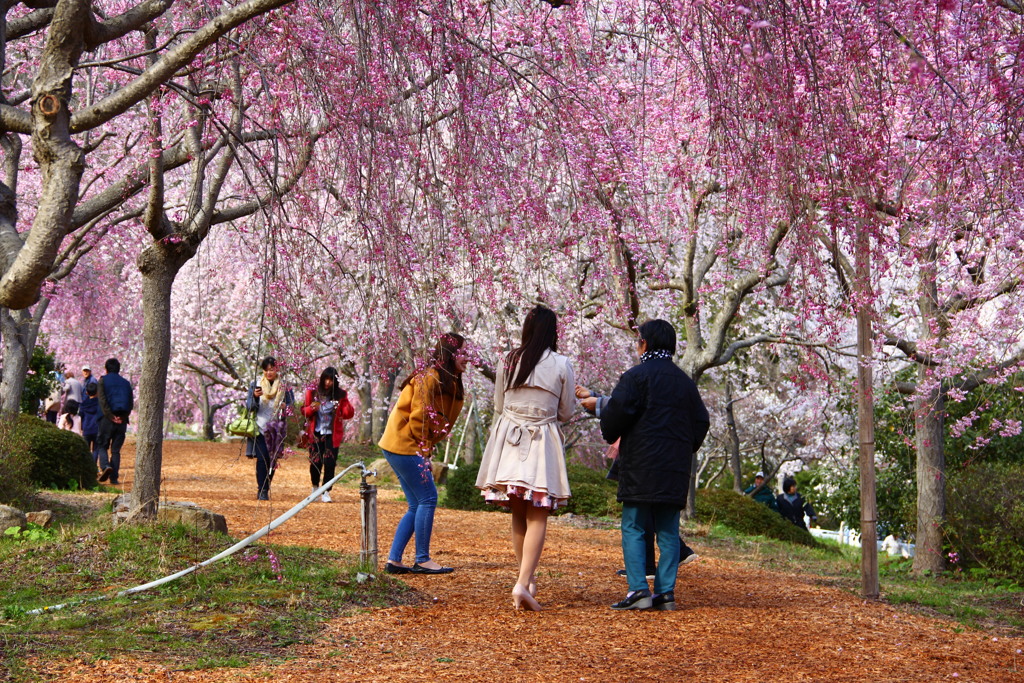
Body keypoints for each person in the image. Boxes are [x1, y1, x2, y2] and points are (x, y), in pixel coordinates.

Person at [578, 319, 709, 611]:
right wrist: (684, 448)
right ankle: (665, 593)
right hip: (674, 467)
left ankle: (638, 590)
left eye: (638, 341)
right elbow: (701, 421)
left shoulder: (636, 377)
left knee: (634, 525)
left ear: (645, 344)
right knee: (667, 529)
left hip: (641, 463)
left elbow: (618, 412)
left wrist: (608, 427)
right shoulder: (685, 383)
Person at [475, 305, 575, 611]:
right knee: (538, 515)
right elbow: (566, 412)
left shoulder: (509, 360)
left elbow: (499, 404)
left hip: (509, 439)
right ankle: (523, 583)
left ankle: (526, 580)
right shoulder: (561, 363)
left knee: (519, 512)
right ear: (552, 331)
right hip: (540, 441)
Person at [379, 333, 469, 575]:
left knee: (416, 503)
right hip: (404, 444)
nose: (468, 358)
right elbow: (419, 416)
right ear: (450, 354)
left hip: (401, 444)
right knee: (428, 498)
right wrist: (425, 453)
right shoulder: (431, 377)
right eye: (463, 352)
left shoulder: (449, 380)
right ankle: (422, 559)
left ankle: (394, 561)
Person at [302, 367, 355, 503]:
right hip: (316, 432)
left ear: (335, 382)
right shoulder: (312, 393)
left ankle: (326, 491)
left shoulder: (341, 395)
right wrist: (312, 408)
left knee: (330, 463)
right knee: (315, 462)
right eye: (325, 379)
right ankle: (315, 488)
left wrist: (343, 406)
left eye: (331, 380)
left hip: (332, 434)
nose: (327, 383)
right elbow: (304, 411)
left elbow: (348, 414)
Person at [245, 357, 284, 501]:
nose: (269, 373)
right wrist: (255, 397)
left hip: (277, 429)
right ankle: (261, 489)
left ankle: (266, 486)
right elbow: (249, 406)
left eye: (272, 369)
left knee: (272, 460)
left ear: (277, 370)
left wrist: (287, 407)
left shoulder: (283, 386)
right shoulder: (256, 385)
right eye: (266, 370)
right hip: (260, 428)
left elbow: (291, 405)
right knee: (262, 459)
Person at [96, 358, 134, 485]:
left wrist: (111, 416)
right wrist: (122, 417)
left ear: (106, 369)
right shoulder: (126, 383)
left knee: (102, 445)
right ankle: (114, 478)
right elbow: (130, 403)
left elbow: (102, 401)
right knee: (116, 450)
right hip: (122, 421)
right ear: (119, 369)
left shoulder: (102, 381)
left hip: (107, 420)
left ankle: (105, 466)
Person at [80, 382, 100, 458]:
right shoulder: (100, 404)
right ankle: (94, 466)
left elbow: (80, 416)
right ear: (98, 391)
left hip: (86, 429)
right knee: (96, 449)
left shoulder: (83, 404)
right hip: (97, 429)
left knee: (86, 450)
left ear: (87, 392)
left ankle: (87, 467)